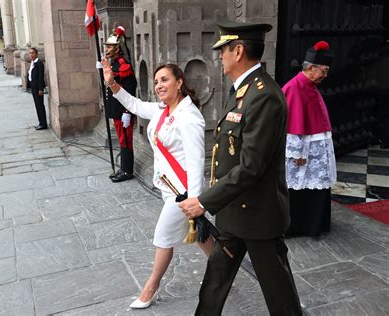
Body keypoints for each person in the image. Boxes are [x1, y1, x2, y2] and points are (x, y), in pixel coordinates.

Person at [178, 18, 302, 315]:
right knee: (214, 282)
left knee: (279, 294)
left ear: (239, 51)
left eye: (224, 50)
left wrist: (204, 202)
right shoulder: (242, 90)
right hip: (234, 212)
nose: (219, 56)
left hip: (259, 218)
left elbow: (250, 167)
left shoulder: (265, 96)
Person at [102, 59, 214, 309]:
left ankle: (151, 287)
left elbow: (197, 161)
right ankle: (224, 266)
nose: (159, 86)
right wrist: (112, 84)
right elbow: (135, 105)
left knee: (163, 237)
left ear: (179, 82)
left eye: (165, 80)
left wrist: (195, 201)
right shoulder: (163, 109)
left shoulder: (188, 116)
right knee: (200, 234)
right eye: (156, 82)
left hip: (183, 193)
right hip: (168, 188)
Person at [283, 41, 336, 238]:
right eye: (324, 70)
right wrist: (297, 153)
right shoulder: (294, 88)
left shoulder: (310, 85)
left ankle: (314, 225)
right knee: (299, 189)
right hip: (303, 153)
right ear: (311, 68)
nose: (326, 75)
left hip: (315, 150)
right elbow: (292, 124)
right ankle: (299, 227)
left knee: (316, 187)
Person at [103, 26, 137, 182]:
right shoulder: (114, 63)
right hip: (116, 109)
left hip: (123, 111)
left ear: (117, 48)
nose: (107, 49)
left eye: (110, 46)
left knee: (125, 140)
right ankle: (123, 168)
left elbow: (130, 89)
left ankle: (127, 171)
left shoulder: (123, 65)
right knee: (122, 138)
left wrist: (127, 112)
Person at [27, 47, 47, 130]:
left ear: (36, 54)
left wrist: (41, 89)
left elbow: (40, 77)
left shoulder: (39, 63)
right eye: (30, 53)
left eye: (33, 53)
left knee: (40, 106)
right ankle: (40, 122)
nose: (31, 55)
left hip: (38, 88)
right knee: (37, 106)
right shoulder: (32, 63)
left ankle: (43, 124)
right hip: (33, 87)